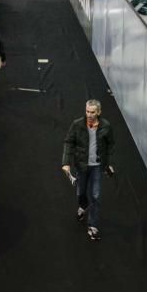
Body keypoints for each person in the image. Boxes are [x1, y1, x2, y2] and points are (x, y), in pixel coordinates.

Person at [61, 99, 115, 241]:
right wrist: (66, 162)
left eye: (92, 112)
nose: (89, 114)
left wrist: (108, 163)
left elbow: (110, 145)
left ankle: (93, 226)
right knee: (81, 192)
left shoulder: (106, 126)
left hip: (97, 166)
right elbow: (68, 141)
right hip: (81, 165)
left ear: (99, 112)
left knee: (96, 195)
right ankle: (83, 206)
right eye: (87, 111)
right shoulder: (77, 124)